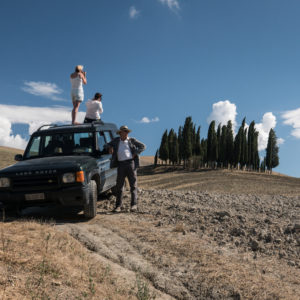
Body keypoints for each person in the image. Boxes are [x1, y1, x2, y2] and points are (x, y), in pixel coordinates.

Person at [108, 125, 146, 212]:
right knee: (119, 186)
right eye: (124, 131)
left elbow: (143, 146)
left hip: (130, 163)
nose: (126, 133)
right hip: (120, 164)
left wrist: (135, 153)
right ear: (120, 133)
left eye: (127, 131)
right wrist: (110, 147)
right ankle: (118, 206)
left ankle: (134, 205)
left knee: (133, 185)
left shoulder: (132, 140)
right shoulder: (116, 140)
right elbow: (106, 144)